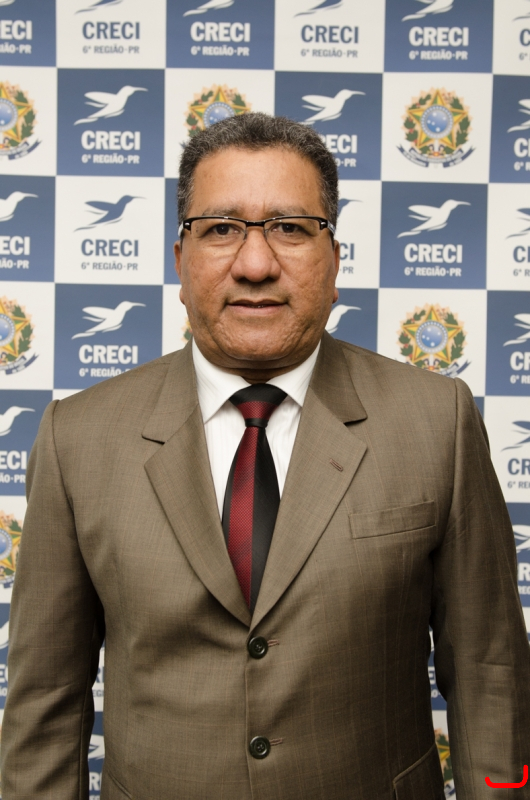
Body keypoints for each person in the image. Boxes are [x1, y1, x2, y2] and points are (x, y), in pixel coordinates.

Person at [1, 113, 529, 800]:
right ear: (180, 262)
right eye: (221, 228)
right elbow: (45, 702)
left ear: (334, 261)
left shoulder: (437, 422)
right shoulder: (78, 437)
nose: (255, 265)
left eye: (290, 228)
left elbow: (491, 679)